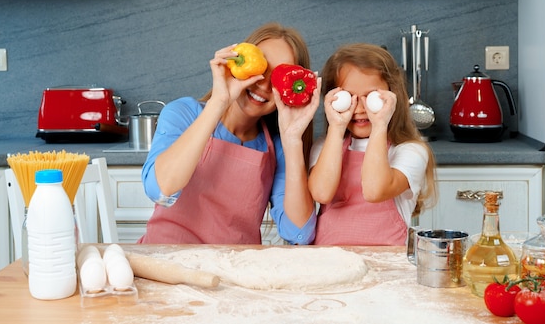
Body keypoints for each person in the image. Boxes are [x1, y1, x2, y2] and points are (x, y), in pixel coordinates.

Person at [138, 22, 320, 245]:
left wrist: (292, 140)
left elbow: (299, 233)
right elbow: (161, 190)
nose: (262, 84)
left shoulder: (277, 147)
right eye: (260, 68)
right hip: (165, 263)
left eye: (278, 78)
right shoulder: (183, 113)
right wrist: (219, 102)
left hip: (234, 271)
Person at [308, 43, 437, 246]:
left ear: (391, 96)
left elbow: (374, 191)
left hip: (387, 263)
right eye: (347, 97)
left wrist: (379, 125)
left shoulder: (410, 151)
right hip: (329, 261)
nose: (359, 108)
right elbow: (322, 193)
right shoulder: (326, 147)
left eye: (371, 97)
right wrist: (336, 127)